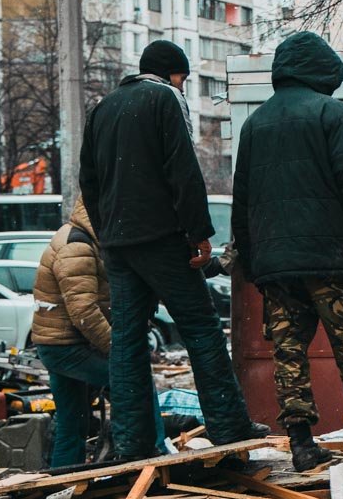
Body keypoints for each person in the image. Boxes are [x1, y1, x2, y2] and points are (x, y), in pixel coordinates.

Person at [231, 31, 343, 470]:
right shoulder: (332, 113)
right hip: (331, 259)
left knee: (289, 353)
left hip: (276, 266)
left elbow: (243, 199)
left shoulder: (255, 124)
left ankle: (301, 445)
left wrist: (252, 260)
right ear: (322, 71)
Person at [79, 39, 266, 459]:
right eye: (183, 77)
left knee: (127, 342)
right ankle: (229, 425)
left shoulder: (103, 108)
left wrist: (106, 231)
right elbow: (183, 169)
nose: (183, 86)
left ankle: (131, 442)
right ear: (172, 73)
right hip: (161, 237)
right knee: (201, 328)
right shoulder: (165, 98)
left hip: (118, 243)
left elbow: (87, 181)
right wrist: (199, 233)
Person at [32, 199, 167, 467]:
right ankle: (157, 453)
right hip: (67, 347)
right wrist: (118, 350)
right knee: (135, 381)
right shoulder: (76, 247)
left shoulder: (83, 238)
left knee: (73, 421)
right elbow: (84, 312)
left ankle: (64, 482)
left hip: (59, 344)